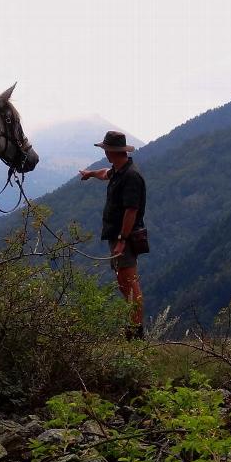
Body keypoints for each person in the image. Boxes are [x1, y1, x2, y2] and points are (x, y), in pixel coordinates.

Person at [79, 130, 146, 339]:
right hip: (117, 237)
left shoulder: (131, 176)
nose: (105, 153)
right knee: (123, 282)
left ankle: (136, 334)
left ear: (111, 151)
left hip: (124, 237)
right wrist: (90, 174)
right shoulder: (119, 171)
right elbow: (104, 174)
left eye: (106, 149)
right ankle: (132, 328)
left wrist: (121, 241)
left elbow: (131, 211)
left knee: (130, 282)